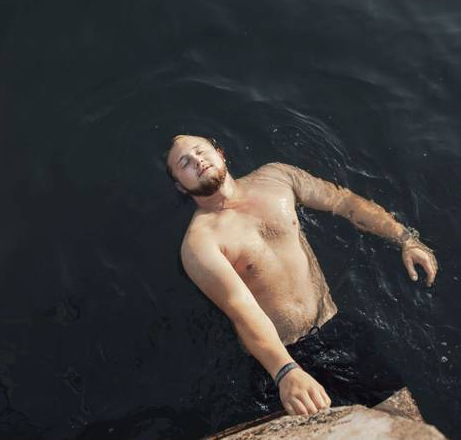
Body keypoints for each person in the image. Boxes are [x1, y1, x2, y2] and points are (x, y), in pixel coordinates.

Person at [166, 135, 438, 417]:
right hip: (279, 359)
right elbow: (241, 309)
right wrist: (285, 372)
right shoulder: (199, 243)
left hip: (333, 330)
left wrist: (405, 238)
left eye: (200, 151)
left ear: (220, 153)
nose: (197, 161)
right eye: (184, 163)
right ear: (180, 185)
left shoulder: (277, 178)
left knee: (405, 422)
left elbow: (343, 202)